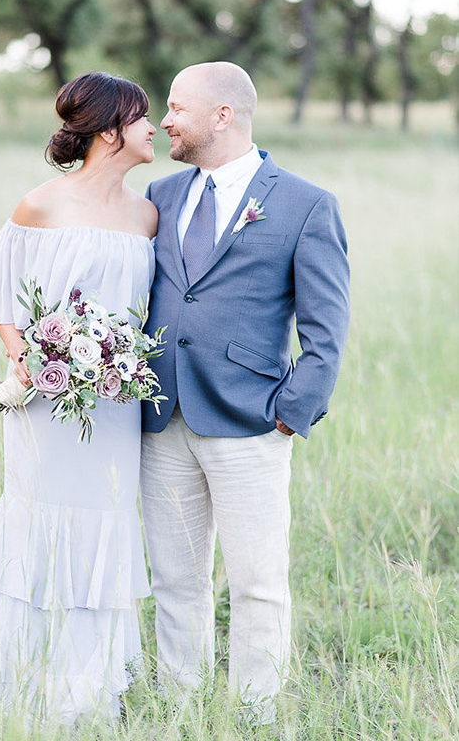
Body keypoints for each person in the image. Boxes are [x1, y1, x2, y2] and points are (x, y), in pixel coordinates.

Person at [140, 61, 350, 723]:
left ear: (222, 116)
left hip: (251, 422)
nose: (164, 121)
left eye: (176, 107)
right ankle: (182, 708)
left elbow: (326, 329)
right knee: (175, 579)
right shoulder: (162, 195)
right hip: (161, 414)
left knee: (257, 583)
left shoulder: (303, 203)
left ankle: (254, 715)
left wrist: (291, 414)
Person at [0, 72, 158, 725]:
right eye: (141, 118)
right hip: (48, 409)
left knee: (107, 522)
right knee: (43, 522)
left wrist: (115, 358)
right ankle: (23, 688)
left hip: (115, 407)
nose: (154, 128)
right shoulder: (39, 205)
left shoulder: (146, 214)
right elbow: (2, 304)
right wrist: (30, 362)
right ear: (109, 130)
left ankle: (90, 693)